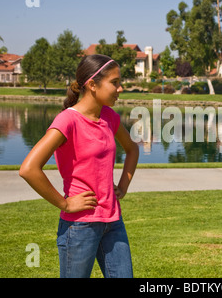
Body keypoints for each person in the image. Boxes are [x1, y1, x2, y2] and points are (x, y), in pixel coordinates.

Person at [19, 54, 139, 278]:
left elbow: (132, 149)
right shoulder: (68, 120)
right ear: (92, 84)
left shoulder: (109, 117)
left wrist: (123, 186)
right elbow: (29, 168)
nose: (120, 88)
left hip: (113, 222)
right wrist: (64, 204)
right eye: (115, 82)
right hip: (80, 226)